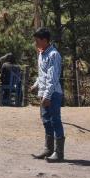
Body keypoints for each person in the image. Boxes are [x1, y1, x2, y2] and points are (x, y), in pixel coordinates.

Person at [30, 27, 65, 162]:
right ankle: (48, 149)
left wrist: (48, 96)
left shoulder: (53, 55)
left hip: (53, 94)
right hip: (43, 93)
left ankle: (59, 153)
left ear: (45, 40)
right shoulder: (41, 54)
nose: (36, 43)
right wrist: (36, 84)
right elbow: (43, 74)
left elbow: (53, 77)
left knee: (55, 121)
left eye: (37, 40)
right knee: (46, 121)